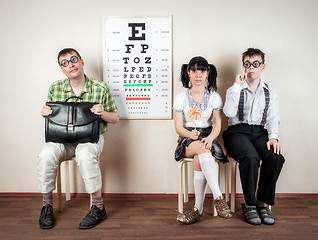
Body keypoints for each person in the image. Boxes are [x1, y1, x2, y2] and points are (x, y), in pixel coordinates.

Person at [37, 48, 119, 229]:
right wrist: (45, 113)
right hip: (61, 140)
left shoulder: (100, 88)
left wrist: (103, 113)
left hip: (89, 139)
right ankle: (46, 205)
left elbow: (115, 118)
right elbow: (50, 114)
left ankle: (98, 206)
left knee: (85, 154)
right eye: (64, 63)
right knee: (45, 155)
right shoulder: (55, 87)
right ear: (62, 69)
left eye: (73, 59)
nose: (70, 64)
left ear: (82, 61)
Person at [222, 48, 285, 225]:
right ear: (243, 66)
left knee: (275, 157)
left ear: (262, 67)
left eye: (255, 64)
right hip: (237, 132)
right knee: (250, 158)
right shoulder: (234, 89)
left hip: (259, 132)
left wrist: (273, 137)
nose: (252, 68)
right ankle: (249, 204)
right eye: (248, 64)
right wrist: (236, 86)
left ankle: (261, 203)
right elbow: (228, 112)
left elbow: (273, 117)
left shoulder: (270, 91)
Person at [173, 56, 232, 225]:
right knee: (202, 150)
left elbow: (217, 125)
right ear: (188, 73)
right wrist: (189, 134)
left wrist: (211, 138)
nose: (198, 75)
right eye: (194, 71)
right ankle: (218, 197)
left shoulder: (214, 97)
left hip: (208, 137)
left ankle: (197, 209)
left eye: (202, 71)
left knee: (200, 158)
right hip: (187, 139)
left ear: (208, 73)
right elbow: (178, 127)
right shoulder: (181, 97)